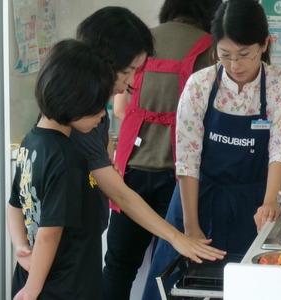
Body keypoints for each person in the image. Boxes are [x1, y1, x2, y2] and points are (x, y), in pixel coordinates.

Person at [143, 0, 281, 298]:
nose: (235, 65)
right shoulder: (200, 85)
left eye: (244, 55)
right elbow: (187, 160)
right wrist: (191, 227)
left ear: (265, 43)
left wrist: (270, 203)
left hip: (251, 205)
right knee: (176, 287)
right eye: (225, 54)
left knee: (244, 287)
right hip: (197, 198)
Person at [70, 4, 226, 289]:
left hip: (131, 167)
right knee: (167, 268)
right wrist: (180, 234)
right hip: (177, 173)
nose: (130, 83)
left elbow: (122, 191)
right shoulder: (207, 48)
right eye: (129, 73)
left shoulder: (92, 117)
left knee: (117, 266)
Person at [7, 39, 115, 300]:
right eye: (97, 105)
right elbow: (49, 234)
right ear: (74, 100)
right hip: (64, 287)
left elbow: (14, 205)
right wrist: (31, 291)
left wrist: (21, 247)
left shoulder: (32, 141)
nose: (103, 114)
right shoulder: (67, 159)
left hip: (36, 277)